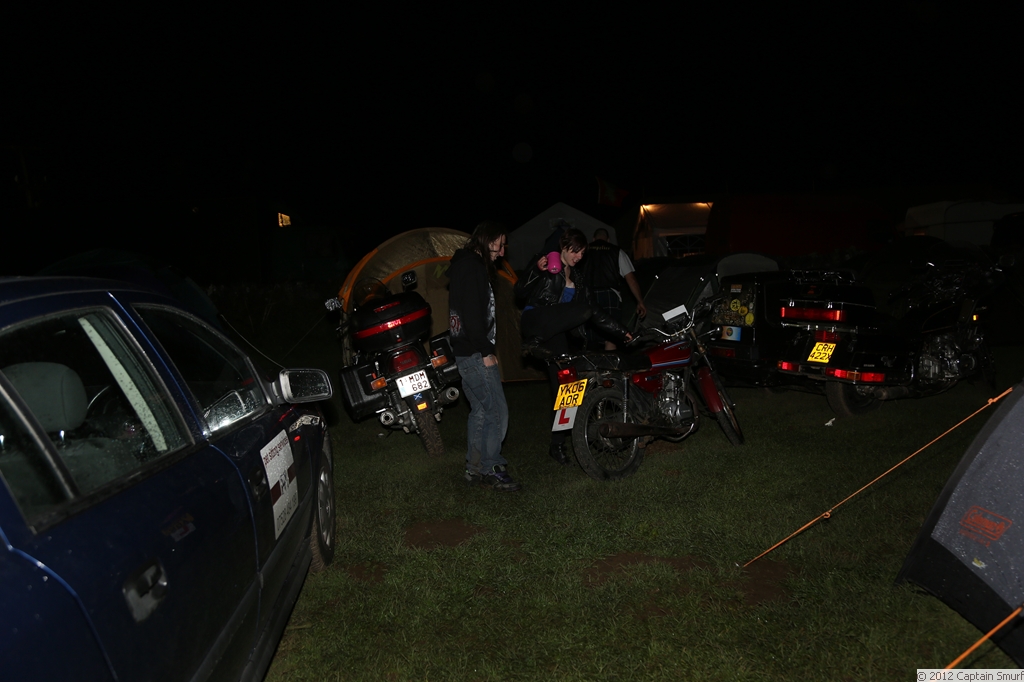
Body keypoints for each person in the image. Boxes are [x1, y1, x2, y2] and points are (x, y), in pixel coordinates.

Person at [515, 228, 632, 465]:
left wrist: (623, 332)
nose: (578, 256)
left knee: (567, 390)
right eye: (575, 251)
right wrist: (536, 269)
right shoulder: (546, 264)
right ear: (563, 247)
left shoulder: (578, 278)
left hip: (554, 335)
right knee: (584, 310)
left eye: (582, 253)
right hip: (536, 321)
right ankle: (532, 342)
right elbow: (519, 291)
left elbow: (593, 311)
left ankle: (557, 445)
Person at [448, 221, 521, 492]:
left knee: (480, 410)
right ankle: (493, 467)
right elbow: (471, 315)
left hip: (466, 352)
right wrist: (485, 350)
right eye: (499, 245)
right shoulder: (472, 267)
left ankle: (474, 468)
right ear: (487, 240)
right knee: (496, 410)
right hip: (475, 351)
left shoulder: (465, 265)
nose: (502, 252)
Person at [582, 227, 647, 350]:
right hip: (610, 295)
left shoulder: (583, 251)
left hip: (588, 295)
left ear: (593, 239)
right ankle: (610, 361)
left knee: (589, 336)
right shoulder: (617, 251)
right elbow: (631, 279)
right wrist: (640, 301)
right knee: (611, 335)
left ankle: (591, 361)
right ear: (608, 240)